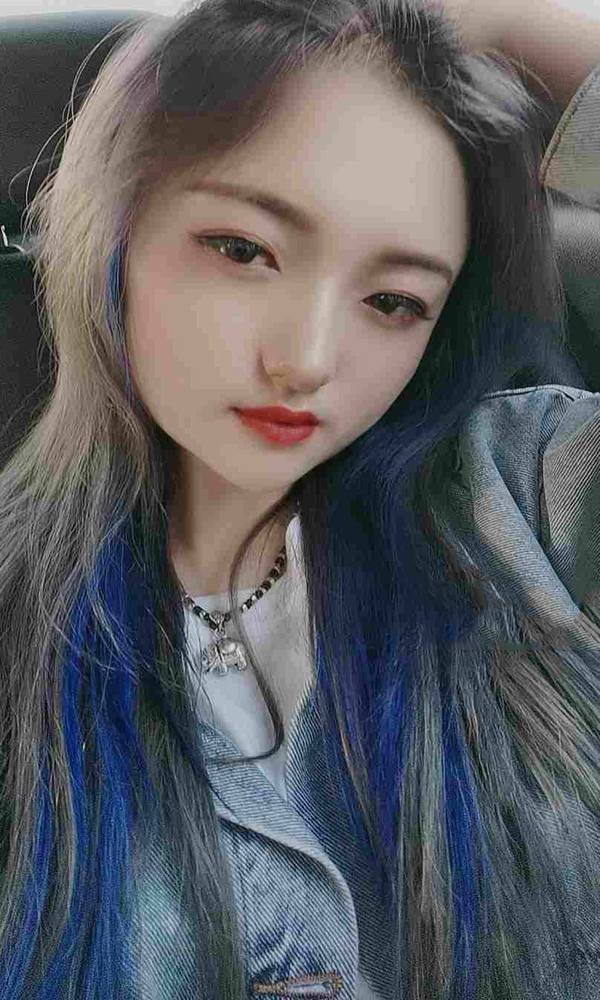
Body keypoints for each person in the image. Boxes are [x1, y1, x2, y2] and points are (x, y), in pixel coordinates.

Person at [0, 0, 599, 997]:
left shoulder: (532, 499)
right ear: (116, 224)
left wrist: (512, 18)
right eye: (243, 249)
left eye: (393, 301)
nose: (309, 360)